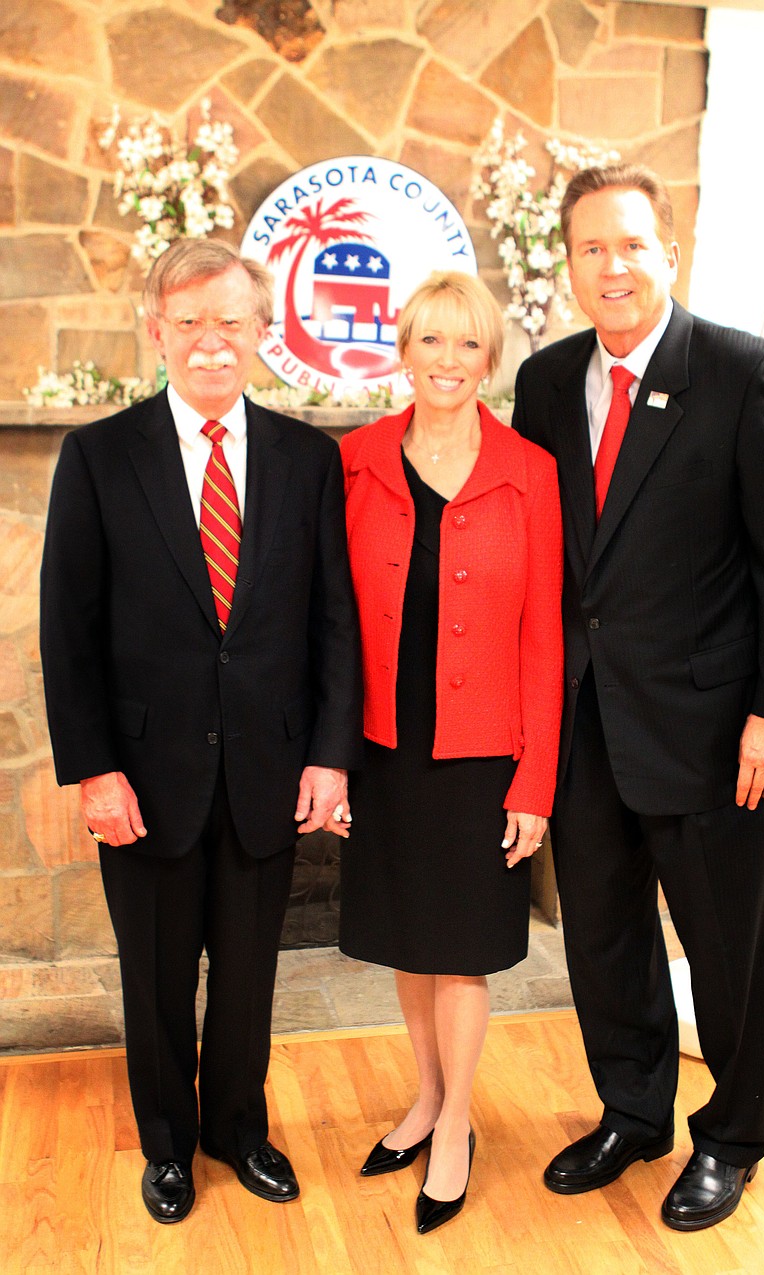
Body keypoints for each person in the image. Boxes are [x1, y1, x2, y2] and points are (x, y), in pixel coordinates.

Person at [512, 163, 764, 1231]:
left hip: (712, 727)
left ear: (668, 252)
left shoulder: (742, 374)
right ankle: (632, 1111)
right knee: (602, 934)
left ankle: (731, 1138)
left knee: (725, 945)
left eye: (631, 244)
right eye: (591, 248)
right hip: (585, 722)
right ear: (567, 266)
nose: (613, 265)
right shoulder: (548, 382)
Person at [39, 239, 362, 1224]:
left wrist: (329, 755)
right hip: (145, 776)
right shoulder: (98, 457)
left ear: (261, 333)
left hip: (268, 770)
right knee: (157, 977)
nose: (210, 345)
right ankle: (168, 1148)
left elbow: (332, 623)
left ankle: (238, 1129)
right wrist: (95, 772)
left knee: (251, 973)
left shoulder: (309, 459)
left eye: (230, 322)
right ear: (156, 333)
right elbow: (68, 626)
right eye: (189, 324)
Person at [328, 271, 563, 1235]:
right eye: (431, 341)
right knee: (409, 941)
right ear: (404, 348)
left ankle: (457, 1125)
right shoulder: (352, 460)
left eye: (469, 345)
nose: (449, 361)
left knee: (462, 950)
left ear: (489, 359)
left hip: (483, 754)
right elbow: (326, 621)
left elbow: (546, 636)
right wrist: (328, 756)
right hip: (385, 746)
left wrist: (535, 779)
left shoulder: (530, 469)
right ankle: (423, 1096)